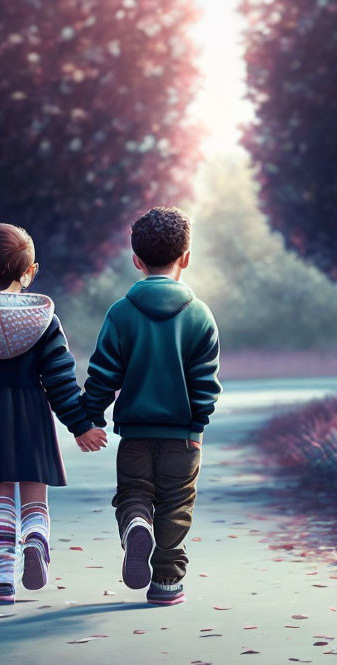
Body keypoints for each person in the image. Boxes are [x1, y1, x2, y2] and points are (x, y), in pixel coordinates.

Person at [0, 223, 107, 604]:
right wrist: (81, 426)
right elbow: (61, 380)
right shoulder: (45, 321)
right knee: (35, 498)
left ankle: (2, 578)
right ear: (30, 272)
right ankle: (35, 538)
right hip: (34, 416)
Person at [82, 207, 221, 606]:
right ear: (187, 258)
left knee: (133, 494)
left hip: (135, 435)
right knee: (177, 505)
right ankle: (166, 582)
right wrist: (197, 425)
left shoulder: (121, 314)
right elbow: (205, 384)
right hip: (182, 437)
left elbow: (103, 373)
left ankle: (136, 525)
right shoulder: (200, 316)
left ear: (136, 261)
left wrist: (92, 416)